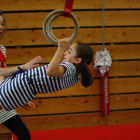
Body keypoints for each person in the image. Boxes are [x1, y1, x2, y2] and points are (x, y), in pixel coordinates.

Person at [0, 37, 93, 111]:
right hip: (19, 90)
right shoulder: (73, 75)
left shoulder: (69, 68)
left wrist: (61, 48)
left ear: (77, 60)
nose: (65, 53)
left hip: (17, 88)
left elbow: (50, 71)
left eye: (69, 52)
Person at [0, 10, 42, 140]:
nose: (1, 27)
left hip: (1, 100)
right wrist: (23, 67)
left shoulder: (2, 49)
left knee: (24, 135)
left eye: (2, 24)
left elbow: (2, 77)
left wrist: (16, 98)